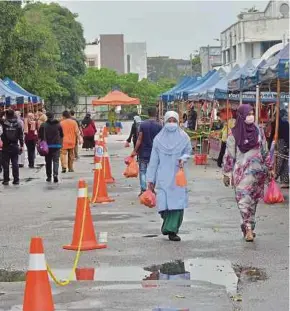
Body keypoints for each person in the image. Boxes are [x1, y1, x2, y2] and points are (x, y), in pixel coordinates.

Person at [222, 104, 272, 242]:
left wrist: (270, 167)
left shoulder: (258, 131)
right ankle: (248, 228)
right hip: (242, 173)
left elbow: (265, 151)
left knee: (253, 202)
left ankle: (249, 226)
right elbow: (229, 155)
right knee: (244, 200)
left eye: (252, 113)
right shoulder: (234, 134)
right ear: (241, 116)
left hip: (258, 173)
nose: (251, 116)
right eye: (248, 114)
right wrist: (226, 173)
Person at [146, 111, 192, 242]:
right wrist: (150, 180)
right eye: (169, 121)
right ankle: (167, 224)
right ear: (164, 122)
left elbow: (188, 151)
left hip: (178, 176)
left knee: (177, 204)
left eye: (174, 121)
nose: (171, 123)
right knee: (164, 206)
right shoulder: (158, 140)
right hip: (163, 177)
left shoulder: (184, 138)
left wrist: (183, 158)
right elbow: (153, 161)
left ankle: (172, 230)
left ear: (178, 122)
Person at [131, 108, 162, 196]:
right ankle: (151, 189)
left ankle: (143, 190)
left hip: (143, 152)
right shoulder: (159, 125)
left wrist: (135, 150)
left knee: (143, 171)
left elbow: (139, 139)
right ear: (155, 114)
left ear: (148, 114)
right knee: (154, 171)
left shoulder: (143, 125)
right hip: (155, 153)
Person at [0, 109, 24, 185]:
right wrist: (22, 145)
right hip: (15, 144)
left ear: (6, 115)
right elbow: (21, 135)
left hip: (6, 145)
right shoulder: (18, 123)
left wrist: (3, 111)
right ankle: (16, 179)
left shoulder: (4, 122)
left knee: (6, 163)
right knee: (15, 163)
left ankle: (6, 179)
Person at [39, 112, 63, 183]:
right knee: (56, 161)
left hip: (47, 146)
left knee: (48, 161)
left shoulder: (43, 125)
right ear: (53, 116)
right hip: (56, 145)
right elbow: (62, 134)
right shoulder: (58, 124)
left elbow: (39, 135)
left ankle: (49, 176)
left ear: (47, 117)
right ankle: (55, 174)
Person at [268, 109, 289, 188]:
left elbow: (272, 135)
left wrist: (269, 144)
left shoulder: (276, 123)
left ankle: (274, 176)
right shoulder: (286, 123)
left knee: (279, 161)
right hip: (285, 143)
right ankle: (284, 180)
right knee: (284, 162)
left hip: (280, 143)